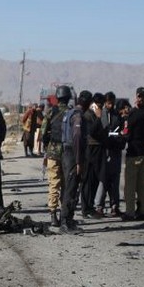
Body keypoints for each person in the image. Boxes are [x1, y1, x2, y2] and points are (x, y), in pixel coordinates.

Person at [41, 86, 77, 227]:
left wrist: (47, 146)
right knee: (66, 185)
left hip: (53, 152)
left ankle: (53, 215)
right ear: (68, 98)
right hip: (68, 153)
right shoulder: (71, 112)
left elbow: (44, 132)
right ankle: (64, 215)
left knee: (53, 183)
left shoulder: (50, 112)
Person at [60, 92, 90, 234]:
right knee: (71, 189)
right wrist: (79, 161)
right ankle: (65, 222)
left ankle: (69, 220)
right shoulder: (78, 116)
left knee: (70, 187)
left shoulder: (69, 113)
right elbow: (77, 137)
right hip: (73, 154)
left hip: (66, 152)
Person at [93, 92, 125, 217]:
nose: (110, 105)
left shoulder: (117, 115)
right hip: (104, 152)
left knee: (115, 181)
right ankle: (99, 206)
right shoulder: (101, 115)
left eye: (112, 102)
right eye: (108, 103)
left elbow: (121, 131)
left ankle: (114, 206)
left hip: (115, 151)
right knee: (103, 180)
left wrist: (119, 137)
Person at [121, 87, 144, 221]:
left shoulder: (135, 114)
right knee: (142, 185)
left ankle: (130, 212)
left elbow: (126, 133)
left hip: (134, 153)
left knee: (130, 186)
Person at [80, 93, 107, 218]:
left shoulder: (95, 114)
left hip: (97, 150)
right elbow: (92, 132)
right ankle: (86, 209)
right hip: (90, 150)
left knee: (95, 179)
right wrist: (98, 118)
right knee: (87, 181)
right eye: (99, 105)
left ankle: (90, 207)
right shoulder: (88, 115)